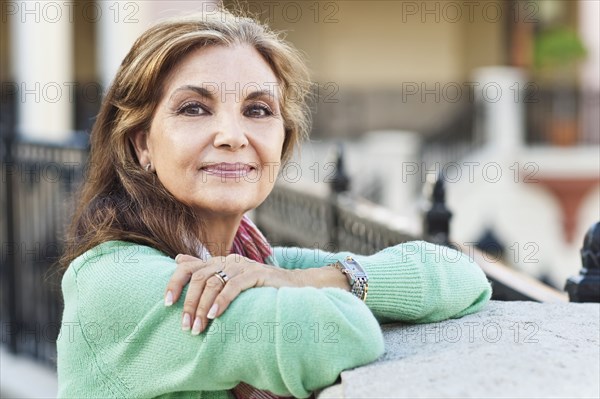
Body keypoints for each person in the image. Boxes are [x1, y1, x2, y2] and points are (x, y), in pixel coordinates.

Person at [56, 7, 492, 399]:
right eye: (194, 108)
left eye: (258, 110)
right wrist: (302, 284)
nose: (232, 135)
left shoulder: (253, 263)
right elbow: (336, 335)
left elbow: (459, 276)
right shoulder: (116, 281)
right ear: (141, 145)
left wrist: (302, 278)